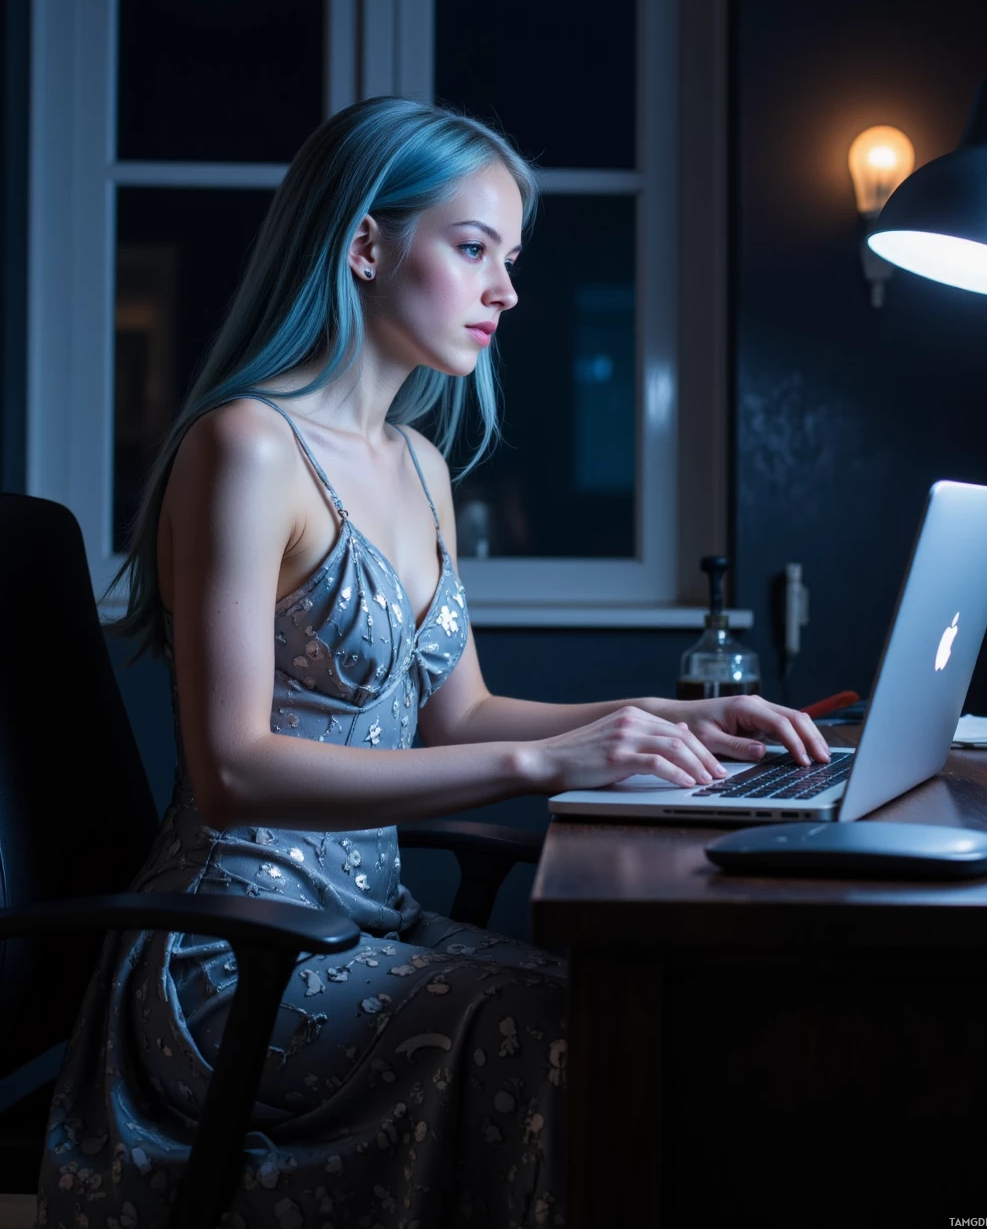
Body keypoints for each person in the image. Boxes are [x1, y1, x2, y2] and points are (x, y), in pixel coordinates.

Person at [36, 96, 829, 1228]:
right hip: (235, 957)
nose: (505, 289)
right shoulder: (246, 446)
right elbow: (235, 772)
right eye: (472, 250)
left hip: (364, 924)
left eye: (510, 259)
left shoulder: (418, 462)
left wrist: (671, 714)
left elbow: (458, 712)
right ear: (364, 245)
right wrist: (553, 764)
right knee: (568, 1033)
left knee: (628, 1010)